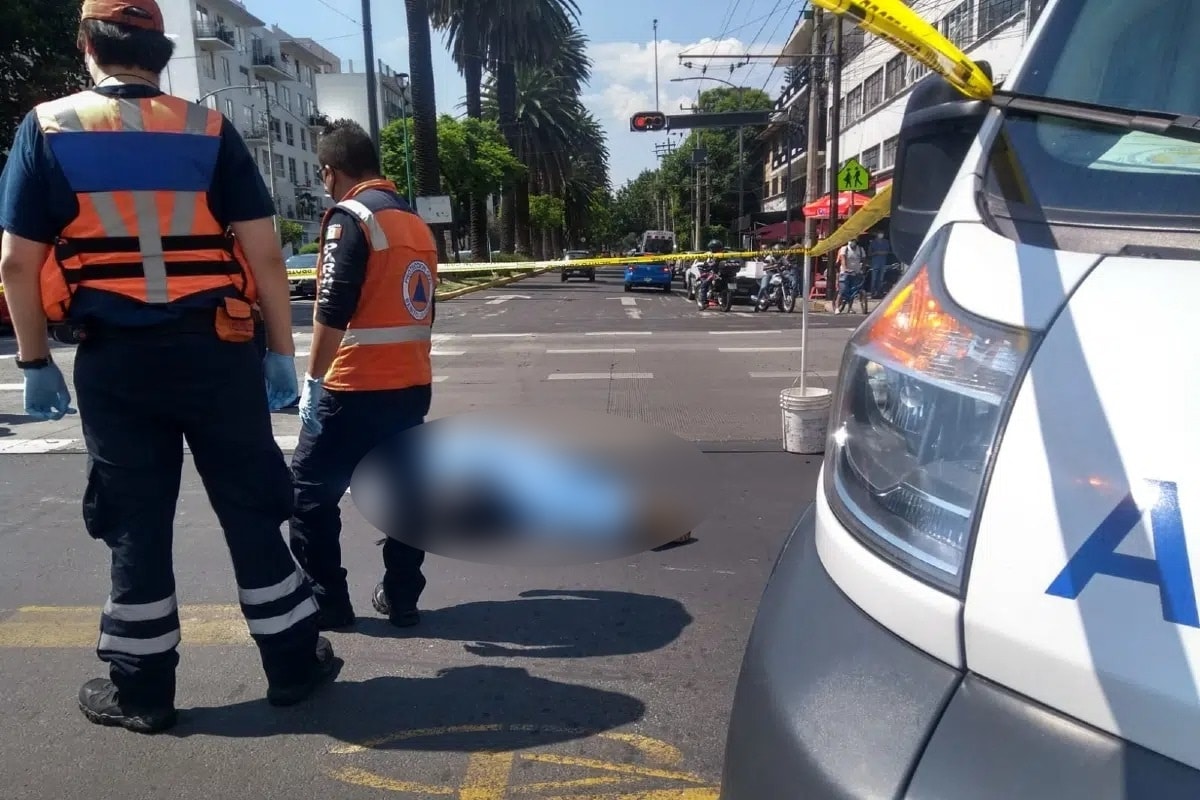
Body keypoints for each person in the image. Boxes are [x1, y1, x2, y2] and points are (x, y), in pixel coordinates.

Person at [0, 0, 340, 733]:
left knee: (135, 524)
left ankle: (143, 693)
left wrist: (36, 360)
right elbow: (265, 256)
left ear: (88, 44)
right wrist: (280, 355)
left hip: (115, 365)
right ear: (161, 50)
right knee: (251, 507)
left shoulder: (47, 127)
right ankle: (292, 666)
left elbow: (16, 262)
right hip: (217, 351)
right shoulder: (207, 128)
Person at [287, 120, 437, 631]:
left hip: (352, 388)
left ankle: (328, 602)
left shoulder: (350, 217)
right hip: (411, 385)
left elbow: (332, 306)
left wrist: (312, 380)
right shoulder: (414, 222)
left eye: (322, 173)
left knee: (309, 495)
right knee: (406, 493)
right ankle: (402, 599)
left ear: (332, 171)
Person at [835, 237, 867, 314]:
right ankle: (836, 308)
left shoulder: (860, 249)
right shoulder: (844, 249)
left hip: (856, 272)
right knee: (842, 290)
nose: (852, 242)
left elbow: (864, 260)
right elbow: (843, 260)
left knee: (854, 291)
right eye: (850, 240)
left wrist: (863, 269)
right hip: (845, 273)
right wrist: (846, 269)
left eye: (853, 240)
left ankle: (850, 308)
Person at [868, 230, 891, 298]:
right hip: (875, 262)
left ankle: (879, 293)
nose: (881, 235)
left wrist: (884, 252)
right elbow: (869, 253)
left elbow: (888, 251)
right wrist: (876, 253)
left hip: (883, 262)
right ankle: (872, 293)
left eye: (882, 233)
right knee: (874, 278)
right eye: (880, 233)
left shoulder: (886, 242)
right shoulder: (873, 243)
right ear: (877, 234)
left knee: (881, 279)